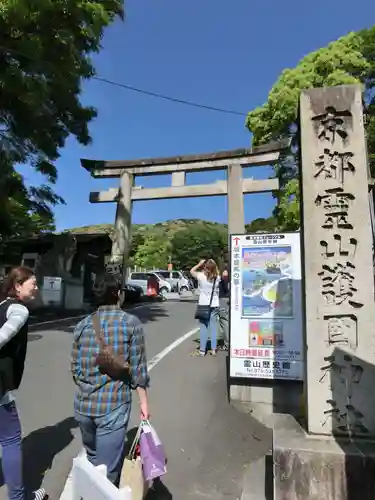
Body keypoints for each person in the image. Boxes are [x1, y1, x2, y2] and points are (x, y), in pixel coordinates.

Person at [71, 273, 150, 486]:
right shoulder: (131, 323)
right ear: (117, 293)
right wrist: (144, 403)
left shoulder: (82, 325)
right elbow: (139, 370)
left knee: (92, 460)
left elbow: (75, 370)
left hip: (83, 407)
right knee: (106, 474)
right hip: (112, 406)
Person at [0, 266, 47, 500]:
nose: (36, 288)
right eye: (33, 284)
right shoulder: (18, 310)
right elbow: (4, 336)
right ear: (18, 286)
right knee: (10, 440)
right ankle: (18, 497)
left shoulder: (1, 307)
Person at [190, 259, 220, 356]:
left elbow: (191, 271)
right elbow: (217, 271)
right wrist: (214, 265)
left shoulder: (201, 276)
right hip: (214, 304)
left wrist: (199, 264)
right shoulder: (217, 278)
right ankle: (214, 349)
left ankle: (202, 350)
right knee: (213, 327)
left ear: (205, 267)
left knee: (203, 327)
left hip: (203, 304)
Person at [218, 266, 230, 351]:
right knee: (226, 321)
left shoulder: (225, 274)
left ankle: (227, 344)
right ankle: (227, 342)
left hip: (223, 299)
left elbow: (226, 288)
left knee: (224, 321)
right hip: (228, 300)